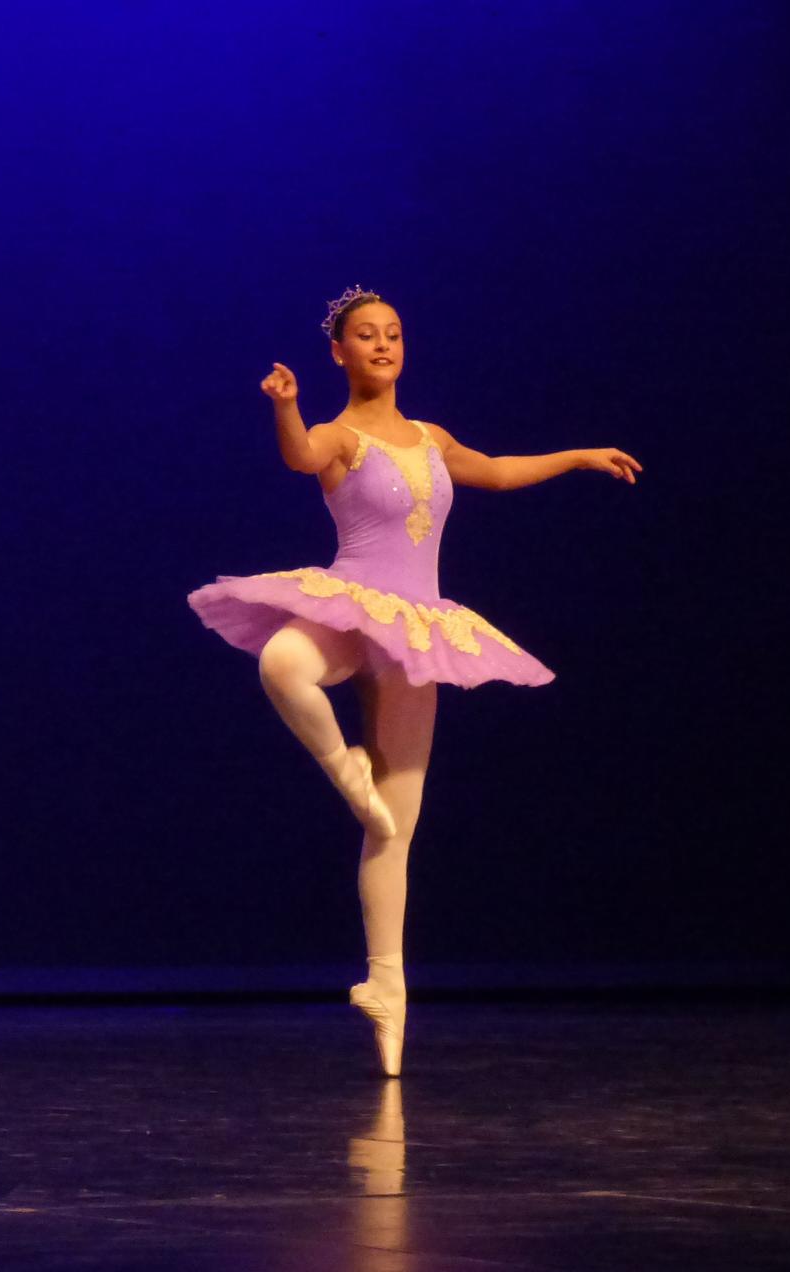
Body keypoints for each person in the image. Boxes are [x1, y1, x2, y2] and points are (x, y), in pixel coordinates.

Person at [186, 285, 641, 1075]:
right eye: (367, 336)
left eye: (393, 334)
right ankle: (344, 770)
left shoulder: (430, 436)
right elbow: (298, 456)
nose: (384, 346)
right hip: (351, 605)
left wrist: (577, 456)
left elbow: (494, 471)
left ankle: (387, 989)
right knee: (283, 663)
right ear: (341, 352)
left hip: (419, 626)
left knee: (396, 827)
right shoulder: (339, 435)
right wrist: (285, 406)